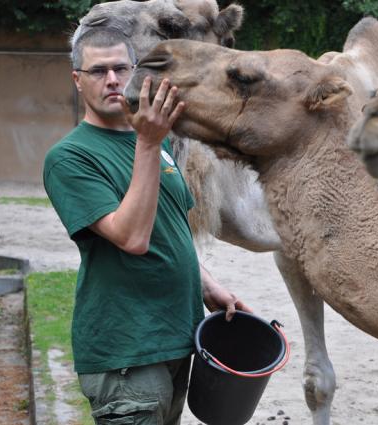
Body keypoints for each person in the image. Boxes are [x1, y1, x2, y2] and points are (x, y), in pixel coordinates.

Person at [43, 27, 251, 425]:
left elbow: (171, 228)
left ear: (135, 70)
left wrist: (208, 285)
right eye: (98, 71)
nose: (112, 80)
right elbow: (131, 237)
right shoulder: (70, 158)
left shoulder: (158, 145)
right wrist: (149, 143)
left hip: (176, 342)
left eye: (121, 68)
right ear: (77, 80)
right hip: (126, 355)